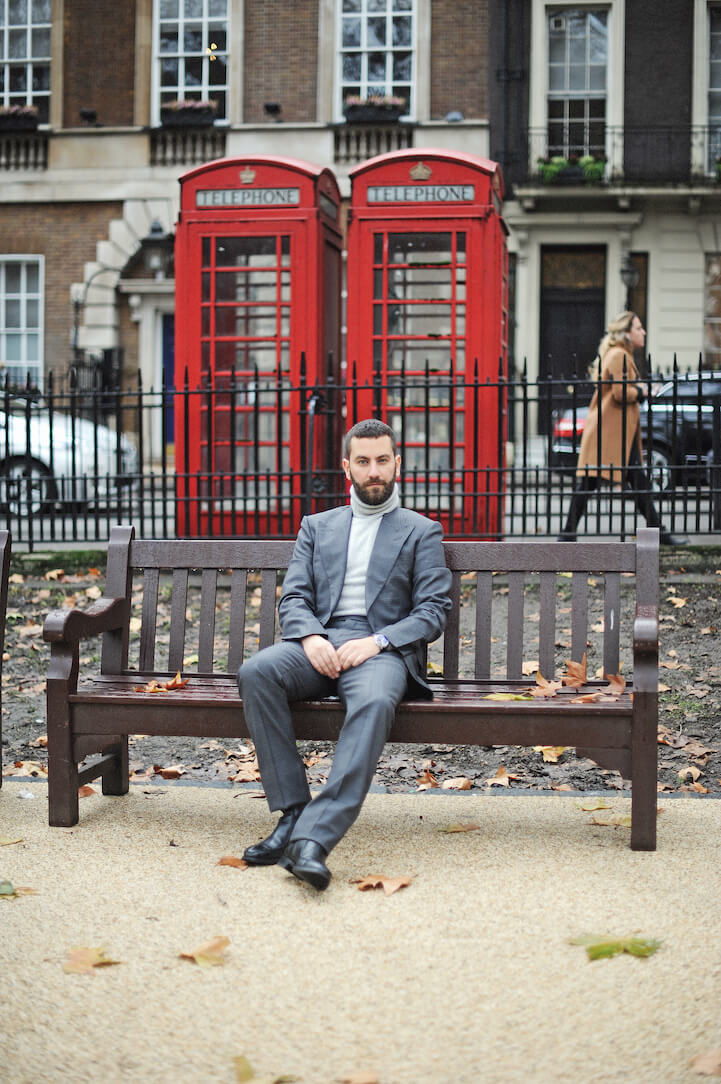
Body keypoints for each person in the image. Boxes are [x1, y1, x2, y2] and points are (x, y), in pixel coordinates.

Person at [237, 418, 452, 890]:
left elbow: (434, 611)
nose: (373, 471)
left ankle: (313, 840)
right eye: (363, 461)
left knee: (374, 702)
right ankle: (292, 812)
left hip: (382, 650)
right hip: (320, 641)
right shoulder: (318, 526)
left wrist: (376, 642)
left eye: (381, 461)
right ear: (346, 467)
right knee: (257, 673)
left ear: (397, 464)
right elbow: (293, 598)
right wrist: (311, 638)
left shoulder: (422, 531)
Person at [558, 310, 688, 545]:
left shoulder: (618, 354)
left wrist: (639, 388)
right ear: (627, 334)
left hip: (615, 434)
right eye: (638, 328)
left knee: (637, 485)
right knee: (594, 483)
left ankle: (568, 534)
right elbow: (619, 392)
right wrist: (643, 391)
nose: (643, 332)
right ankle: (566, 534)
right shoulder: (620, 356)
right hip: (610, 434)